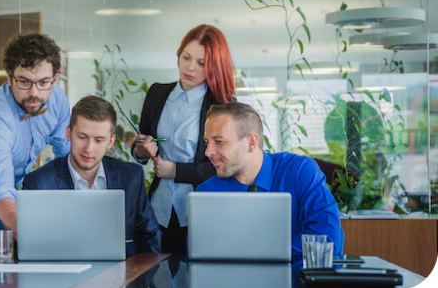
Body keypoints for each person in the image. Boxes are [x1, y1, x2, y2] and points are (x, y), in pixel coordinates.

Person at [132, 24, 236, 256]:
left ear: (214, 67)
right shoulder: (157, 93)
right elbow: (142, 141)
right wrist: (141, 150)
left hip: (200, 211)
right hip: (158, 209)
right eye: (186, 57)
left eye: (201, 63)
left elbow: (226, 167)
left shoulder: (222, 106)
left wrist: (176, 171)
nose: (190, 67)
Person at [198, 102, 344, 260]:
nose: (208, 152)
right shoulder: (206, 193)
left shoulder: (299, 172)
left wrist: (250, 253)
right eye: (207, 142)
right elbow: (200, 255)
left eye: (219, 141)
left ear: (251, 142)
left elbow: (326, 240)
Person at [23, 96, 161, 255]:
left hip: (122, 275)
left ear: (110, 142)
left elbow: (150, 237)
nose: (89, 148)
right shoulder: (39, 184)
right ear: (69, 134)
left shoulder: (131, 177)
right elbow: (33, 249)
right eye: (82, 137)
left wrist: (141, 278)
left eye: (99, 140)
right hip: (62, 277)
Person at [0, 33, 71, 231]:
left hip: (13, 203)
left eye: (43, 82)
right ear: (9, 77)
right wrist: (30, 236)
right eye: (24, 82)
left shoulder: (57, 100)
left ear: (55, 79)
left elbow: (66, 159)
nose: (34, 92)